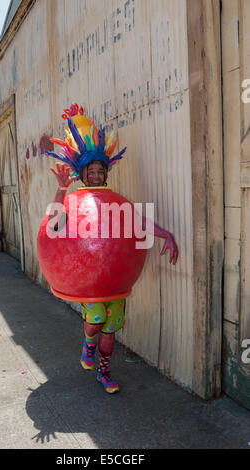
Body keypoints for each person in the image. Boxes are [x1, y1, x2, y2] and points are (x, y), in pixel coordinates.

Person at [46, 104, 178, 394]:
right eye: (90, 171)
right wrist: (61, 190)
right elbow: (53, 225)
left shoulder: (117, 203)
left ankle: (104, 372)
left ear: (105, 174)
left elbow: (138, 223)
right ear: (82, 176)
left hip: (115, 280)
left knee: (110, 327)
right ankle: (87, 345)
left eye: (99, 171)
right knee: (95, 322)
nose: (95, 175)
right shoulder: (72, 203)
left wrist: (165, 234)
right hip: (89, 282)